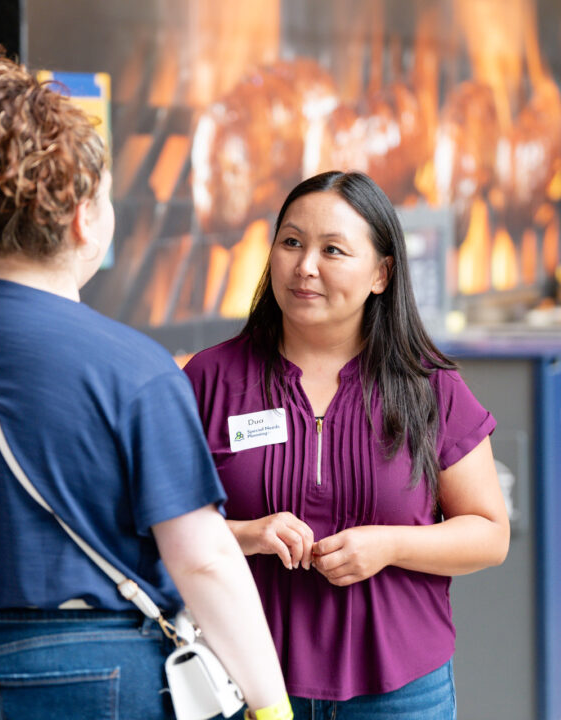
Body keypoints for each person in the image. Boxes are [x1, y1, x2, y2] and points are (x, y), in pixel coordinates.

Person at [0, 44, 293, 720]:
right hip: (77, 674)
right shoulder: (133, 367)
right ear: (83, 218)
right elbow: (204, 561)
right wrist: (273, 708)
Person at [183, 170, 510, 720]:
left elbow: (489, 534)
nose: (305, 266)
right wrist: (245, 535)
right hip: (240, 681)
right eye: (291, 242)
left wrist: (389, 546)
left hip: (400, 689)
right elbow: (153, 525)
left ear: (381, 274)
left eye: (332, 249)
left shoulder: (428, 385)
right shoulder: (211, 378)